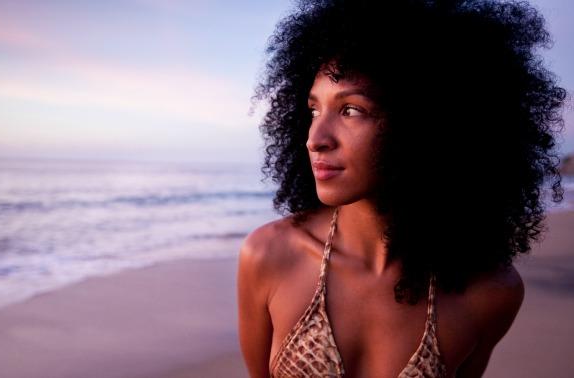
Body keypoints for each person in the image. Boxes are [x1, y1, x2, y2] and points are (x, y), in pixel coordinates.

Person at [237, 0, 566, 377]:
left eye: (351, 110)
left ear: (422, 123)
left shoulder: (490, 294)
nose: (315, 139)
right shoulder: (268, 256)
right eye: (314, 110)